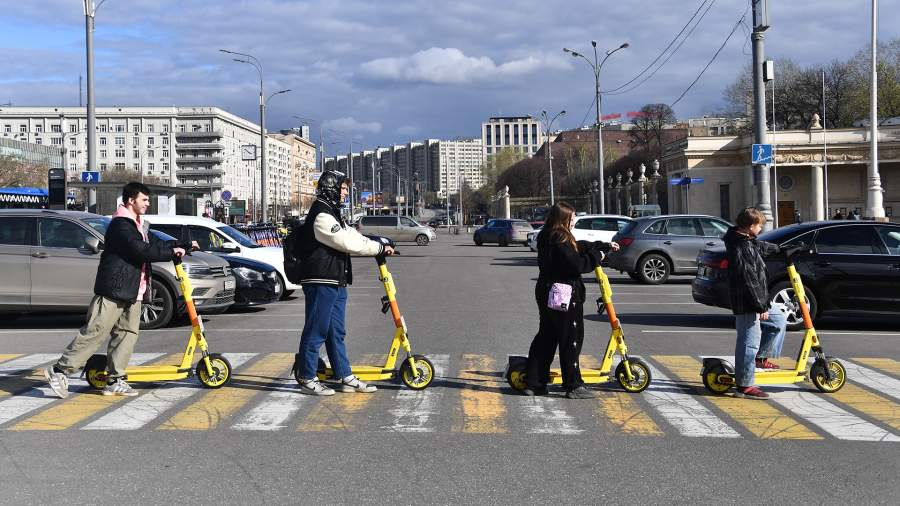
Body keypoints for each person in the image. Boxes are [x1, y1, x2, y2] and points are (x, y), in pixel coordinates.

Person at [44, 182, 196, 398]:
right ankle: (60, 370)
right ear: (131, 200)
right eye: (144, 199)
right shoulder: (121, 225)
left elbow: (155, 243)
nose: (147, 203)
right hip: (113, 289)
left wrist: (184, 245)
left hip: (134, 289)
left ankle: (115, 380)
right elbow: (141, 250)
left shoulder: (138, 224)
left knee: (127, 335)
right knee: (95, 332)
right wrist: (173, 253)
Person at [292, 170, 394, 396]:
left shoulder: (333, 212)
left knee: (336, 331)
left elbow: (352, 235)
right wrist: (377, 248)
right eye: (344, 188)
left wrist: (377, 241)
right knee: (316, 330)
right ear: (331, 187)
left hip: (335, 280)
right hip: (320, 279)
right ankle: (306, 377)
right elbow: (346, 241)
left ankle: (344, 375)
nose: (346, 192)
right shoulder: (321, 215)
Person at [524, 202, 618, 399]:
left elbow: (577, 247)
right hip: (564, 294)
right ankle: (573, 385)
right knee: (571, 339)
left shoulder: (548, 235)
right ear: (563, 219)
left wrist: (603, 245)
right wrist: (598, 255)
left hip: (546, 291)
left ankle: (534, 382)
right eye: (572, 218)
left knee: (547, 337)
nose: (574, 221)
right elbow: (577, 264)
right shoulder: (560, 239)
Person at [723, 207, 790, 400]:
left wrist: (782, 250)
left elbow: (760, 247)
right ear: (751, 226)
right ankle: (745, 384)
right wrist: (759, 306)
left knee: (778, 320)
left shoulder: (746, 240)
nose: (761, 228)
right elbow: (749, 280)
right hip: (747, 301)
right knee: (748, 343)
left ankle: (760, 358)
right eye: (760, 225)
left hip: (757, 298)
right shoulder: (740, 247)